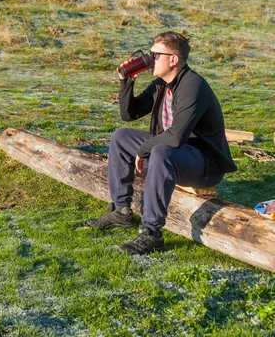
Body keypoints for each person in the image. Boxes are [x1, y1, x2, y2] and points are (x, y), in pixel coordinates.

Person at [86, 31, 237, 255]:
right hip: (174, 153)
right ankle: (121, 211)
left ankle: (152, 233)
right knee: (121, 137)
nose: (150, 59)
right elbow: (130, 114)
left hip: (203, 162)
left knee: (160, 152)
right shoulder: (161, 84)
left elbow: (176, 137)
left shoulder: (192, 87)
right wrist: (126, 84)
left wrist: (144, 150)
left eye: (155, 54)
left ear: (173, 59)